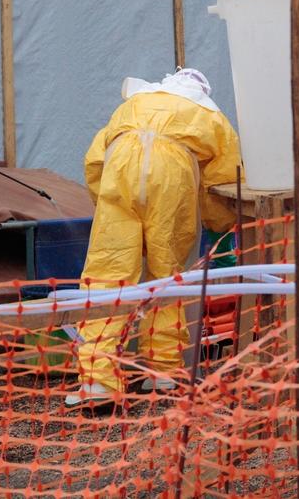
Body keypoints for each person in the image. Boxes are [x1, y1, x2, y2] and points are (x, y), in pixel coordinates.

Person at [68, 68, 242, 406]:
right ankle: (163, 372)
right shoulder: (211, 115)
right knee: (169, 275)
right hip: (172, 178)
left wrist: (105, 205)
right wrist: (217, 223)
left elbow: (94, 160)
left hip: (119, 174)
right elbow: (224, 179)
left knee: (107, 275)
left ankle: (97, 383)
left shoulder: (133, 105)